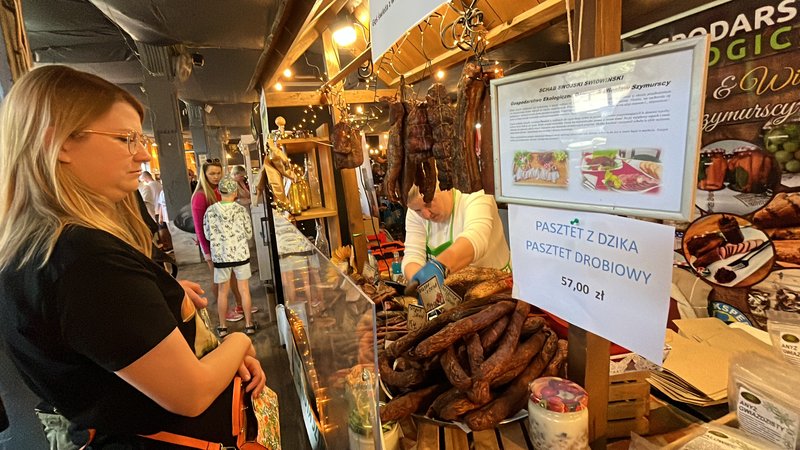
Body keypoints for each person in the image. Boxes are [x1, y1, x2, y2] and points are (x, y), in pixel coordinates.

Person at [0, 66, 264, 447]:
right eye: (126, 139)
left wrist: (161, 300)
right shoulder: (84, 259)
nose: (142, 154)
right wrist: (237, 343)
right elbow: (191, 393)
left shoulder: (38, 247)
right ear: (58, 143)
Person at [402, 184, 510, 286]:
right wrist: (421, 284)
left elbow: (475, 239)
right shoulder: (415, 211)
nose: (426, 214)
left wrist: (440, 266)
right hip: (455, 291)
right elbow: (413, 255)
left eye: (428, 203)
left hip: (499, 286)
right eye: (418, 210)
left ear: (444, 187)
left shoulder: (477, 195)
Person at [191, 159, 251, 322]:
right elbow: (199, 227)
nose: (216, 176)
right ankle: (224, 313)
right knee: (219, 281)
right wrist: (207, 252)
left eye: (218, 173)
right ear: (204, 175)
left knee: (232, 278)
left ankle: (240, 304)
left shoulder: (219, 191)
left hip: (228, 245)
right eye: (212, 173)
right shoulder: (200, 196)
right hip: (214, 247)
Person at [204, 176, 257, 337]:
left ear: (219, 192)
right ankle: (249, 325)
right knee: (244, 290)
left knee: (222, 292)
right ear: (234, 192)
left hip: (221, 257)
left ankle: (222, 327)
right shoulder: (241, 210)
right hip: (240, 255)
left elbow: (207, 235)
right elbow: (249, 234)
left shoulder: (210, 211)